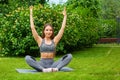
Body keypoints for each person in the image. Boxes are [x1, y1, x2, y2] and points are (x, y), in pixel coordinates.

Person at [25, 6, 72, 72]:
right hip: (41, 64)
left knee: (69, 56)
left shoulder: (54, 41)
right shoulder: (40, 40)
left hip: (53, 64)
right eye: (47, 30)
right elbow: (32, 28)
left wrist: (65, 16)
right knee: (27, 58)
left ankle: (56, 69)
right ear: (44, 31)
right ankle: (43, 70)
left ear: (52, 32)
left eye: (50, 30)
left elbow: (62, 29)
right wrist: (31, 13)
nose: (49, 32)